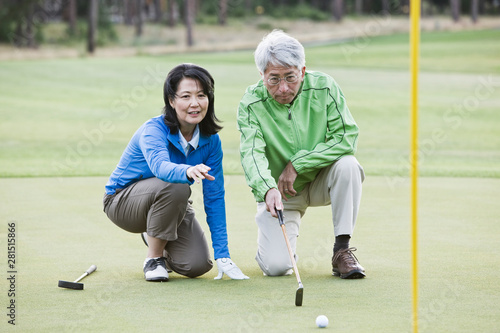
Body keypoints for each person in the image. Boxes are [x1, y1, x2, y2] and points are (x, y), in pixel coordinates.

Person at [237, 30, 366, 279]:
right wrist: (266, 188)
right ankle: (278, 248)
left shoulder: (325, 86)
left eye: (290, 77)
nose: (283, 88)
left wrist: (297, 163)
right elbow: (251, 153)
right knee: (276, 267)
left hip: (321, 180)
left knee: (349, 165)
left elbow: (346, 138)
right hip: (280, 191)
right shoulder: (251, 102)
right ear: (262, 75)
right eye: (274, 79)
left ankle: (342, 250)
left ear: (302, 71)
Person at [104, 63, 248, 282]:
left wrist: (223, 254)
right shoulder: (153, 130)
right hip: (122, 203)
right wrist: (188, 170)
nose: (195, 103)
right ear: (171, 101)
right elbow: (160, 167)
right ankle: (154, 258)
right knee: (178, 186)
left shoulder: (211, 142)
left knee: (197, 265)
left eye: (201, 95)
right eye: (185, 96)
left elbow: (214, 196)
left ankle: (156, 232)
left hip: (170, 201)